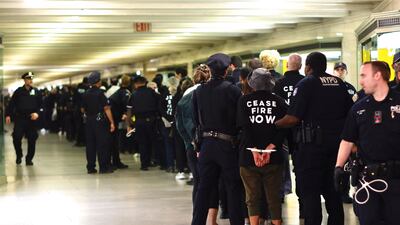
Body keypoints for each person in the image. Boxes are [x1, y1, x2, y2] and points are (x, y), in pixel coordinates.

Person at [275, 52, 353, 225]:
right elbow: (351, 114)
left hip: (311, 150)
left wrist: (275, 124)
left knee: (310, 195)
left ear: (308, 67)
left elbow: (293, 118)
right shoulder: (339, 83)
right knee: (333, 195)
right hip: (336, 149)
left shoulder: (306, 83)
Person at [334, 61, 400, 225]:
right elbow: (347, 140)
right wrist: (338, 167)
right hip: (368, 180)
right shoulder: (358, 108)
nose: (361, 80)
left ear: (377, 76)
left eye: (364, 75)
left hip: (397, 180)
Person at [191, 53, 244, 225]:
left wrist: (198, 146)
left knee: (204, 188)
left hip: (206, 144)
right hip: (227, 145)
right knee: (233, 188)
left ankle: (197, 222)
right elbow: (240, 120)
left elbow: (196, 120)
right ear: (228, 68)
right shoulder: (233, 90)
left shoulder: (199, 91)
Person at [237, 68, 287, 225]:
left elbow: (244, 128)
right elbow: (283, 129)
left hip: (248, 157)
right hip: (274, 156)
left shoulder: (244, 101)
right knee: (274, 197)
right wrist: (269, 148)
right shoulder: (279, 101)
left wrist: (255, 152)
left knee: (252, 198)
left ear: (252, 84)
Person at [126, 76, 163, 171]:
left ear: (136, 84)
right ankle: (155, 160)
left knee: (142, 143)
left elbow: (129, 111)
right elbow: (160, 105)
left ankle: (144, 164)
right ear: (145, 82)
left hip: (139, 121)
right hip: (152, 120)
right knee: (153, 141)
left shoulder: (133, 95)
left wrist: (129, 124)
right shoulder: (152, 92)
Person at [81, 71, 115, 174]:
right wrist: (112, 122)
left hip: (89, 121)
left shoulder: (85, 93)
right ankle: (104, 167)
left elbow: (82, 109)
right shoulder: (100, 93)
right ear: (98, 82)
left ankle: (90, 167)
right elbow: (107, 109)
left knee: (90, 144)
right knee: (102, 144)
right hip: (100, 119)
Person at [5, 72, 42, 165]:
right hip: (20, 118)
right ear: (24, 80)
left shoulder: (36, 91)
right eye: (28, 78)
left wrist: (37, 113)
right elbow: (11, 104)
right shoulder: (18, 91)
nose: (30, 80)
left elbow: (41, 105)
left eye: (31, 78)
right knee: (16, 137)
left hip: (32, 119)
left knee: (32, 139)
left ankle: (29, 158)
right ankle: (19, 154)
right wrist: (8, 115)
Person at [108, 75, 131, 169]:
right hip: (114, 118)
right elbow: (127, 106)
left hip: (111, 117)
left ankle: (114, 161)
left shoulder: (117, 91)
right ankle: (115, 162)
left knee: (113, 141)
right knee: (114, 141)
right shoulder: (125, 92)